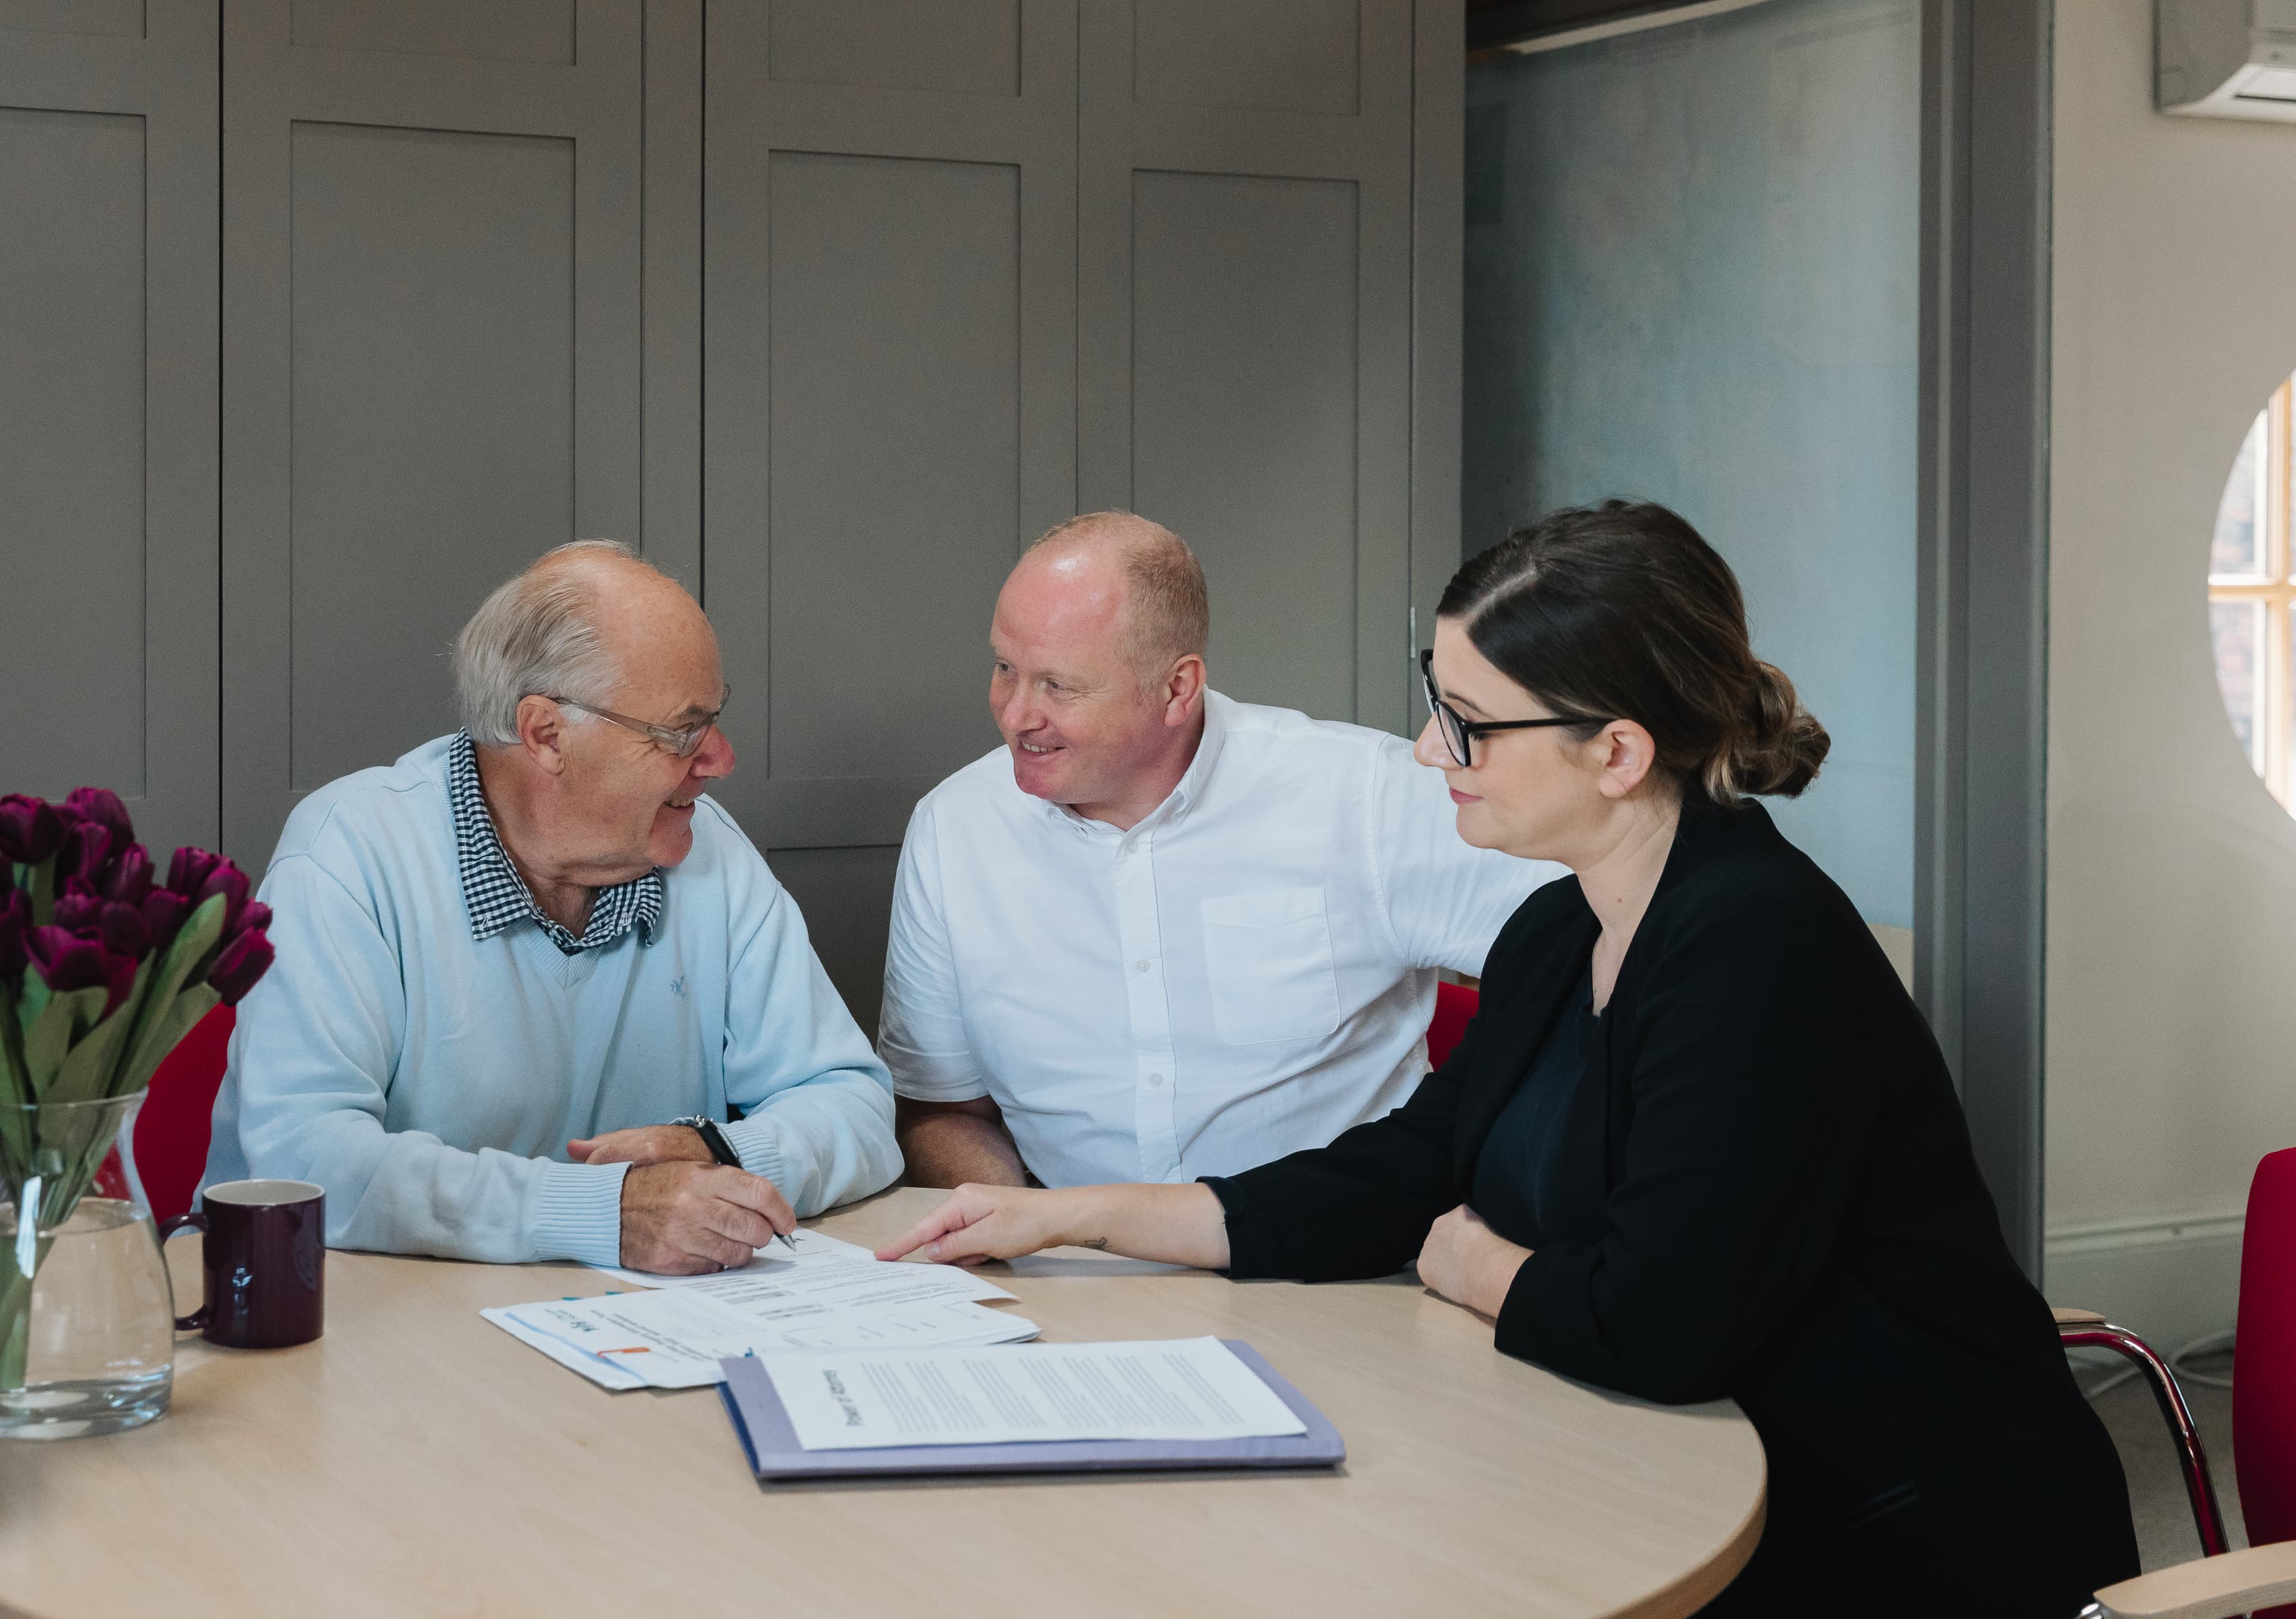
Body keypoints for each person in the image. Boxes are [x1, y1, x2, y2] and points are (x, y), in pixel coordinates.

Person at [879, 501, 2138, 1616]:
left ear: (1618, 752)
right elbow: (1403, 1169)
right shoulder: (1562, 919)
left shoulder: (1757, 943)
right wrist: (1074, 1217)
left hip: (1900, 1530)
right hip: (1670, 1468)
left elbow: (1661, 1326)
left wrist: (1475, 1259)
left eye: (1467, 724)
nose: (1430, 754)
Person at [204, 542, 899, 1273]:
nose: (721, 758)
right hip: (353, 1326)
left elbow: (855, 1105)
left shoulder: (710, 853)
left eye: (715, 719)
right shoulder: (349, 855)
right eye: (680, 733)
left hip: (621, 1335)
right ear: (546, 734)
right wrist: (601, 1211)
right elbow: (308, 1164)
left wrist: (716, 1148)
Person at [878, 511, 1556, 1190]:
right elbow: (940, 1110)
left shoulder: (1367, 796)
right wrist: (1018, 1228)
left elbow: (1607, 957)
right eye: (1005, 668)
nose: (1015, 713)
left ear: (1177, 688)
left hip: (1340, 1267)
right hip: (1068, 1273)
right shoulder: (954, 827)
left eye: (1059, 684)